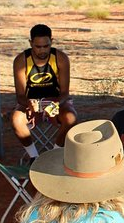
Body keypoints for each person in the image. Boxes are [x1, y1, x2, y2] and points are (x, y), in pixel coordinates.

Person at [11, 24, 77, 162]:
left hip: (55, 100)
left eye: (46, 46)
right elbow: (20, 95)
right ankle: (34, 157)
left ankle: (55, 154)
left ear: (51, 41)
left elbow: (65, 92)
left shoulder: (60, 58)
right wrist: (28, 104)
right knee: (16, 120)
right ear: (30, 43)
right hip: (31, 101)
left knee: (71, 118)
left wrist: (56, 104)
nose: (42, 50)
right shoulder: (21, 60)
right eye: (37, 47)